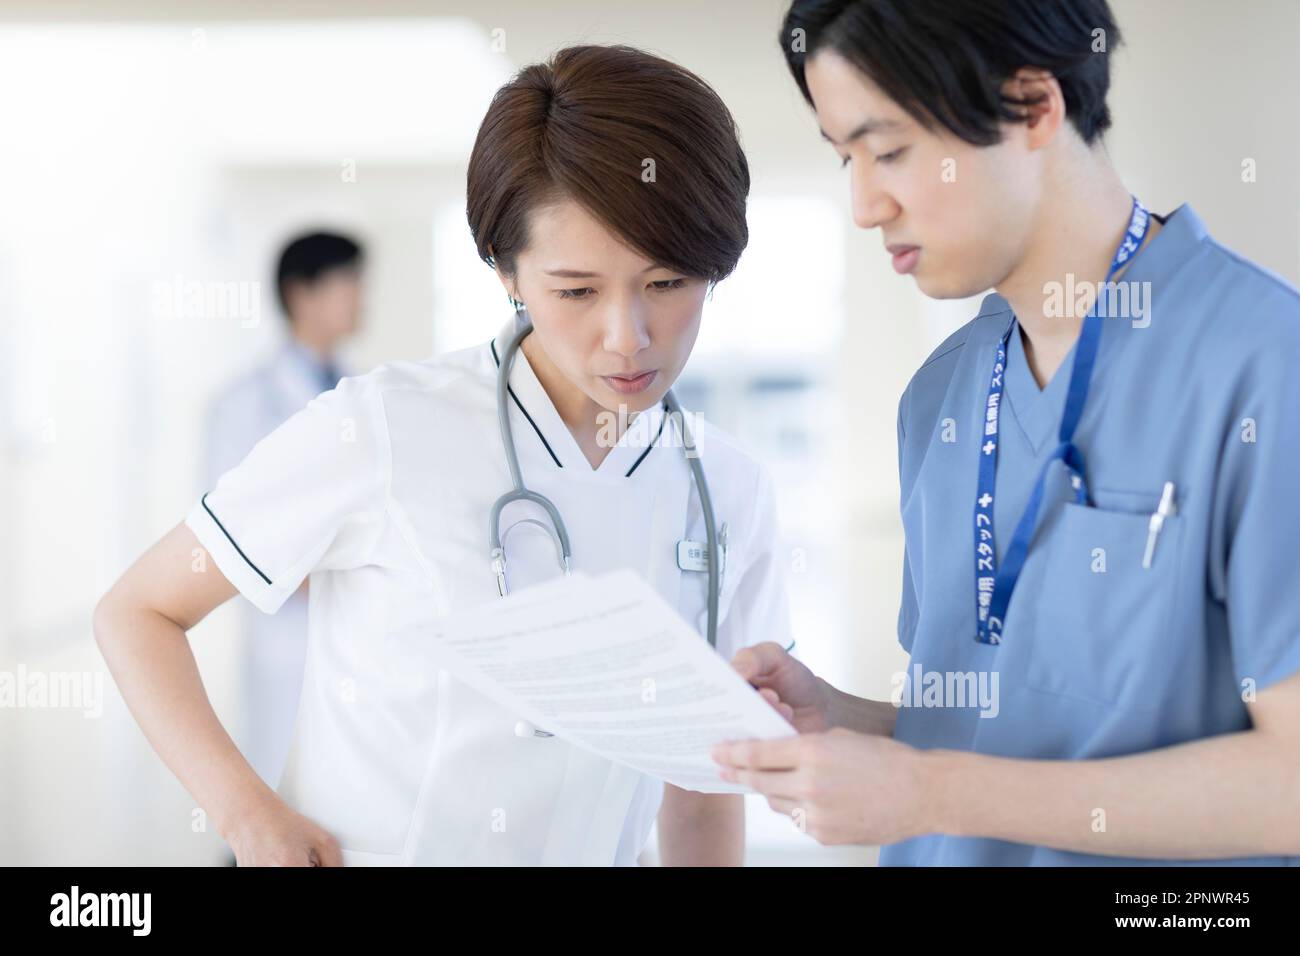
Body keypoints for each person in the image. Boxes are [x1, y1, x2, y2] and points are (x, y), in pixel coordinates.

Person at [94, 44, 792, 866]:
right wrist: (247, 812)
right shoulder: (384, 427)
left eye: (668, 283)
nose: (628, 337)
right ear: (507, 274)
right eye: (576, 291)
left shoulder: (728, 493)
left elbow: (706, 778)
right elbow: (137, 612)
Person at [713, 0, 1300, 865]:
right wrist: (849, 724)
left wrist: (930, 792)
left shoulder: (1264, 363)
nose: (864, 204)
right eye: (846, 159)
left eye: (889, 151)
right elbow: (980, 720)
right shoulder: (939, 398)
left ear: (1033, 105)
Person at [203, 231, 363, 796]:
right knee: (275, 773)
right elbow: (229, 532)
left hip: (352, 620)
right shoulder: (244, 402)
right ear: (301, 294)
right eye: (346, 282)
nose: (359, 297)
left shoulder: (359, 391)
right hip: (285, 624)